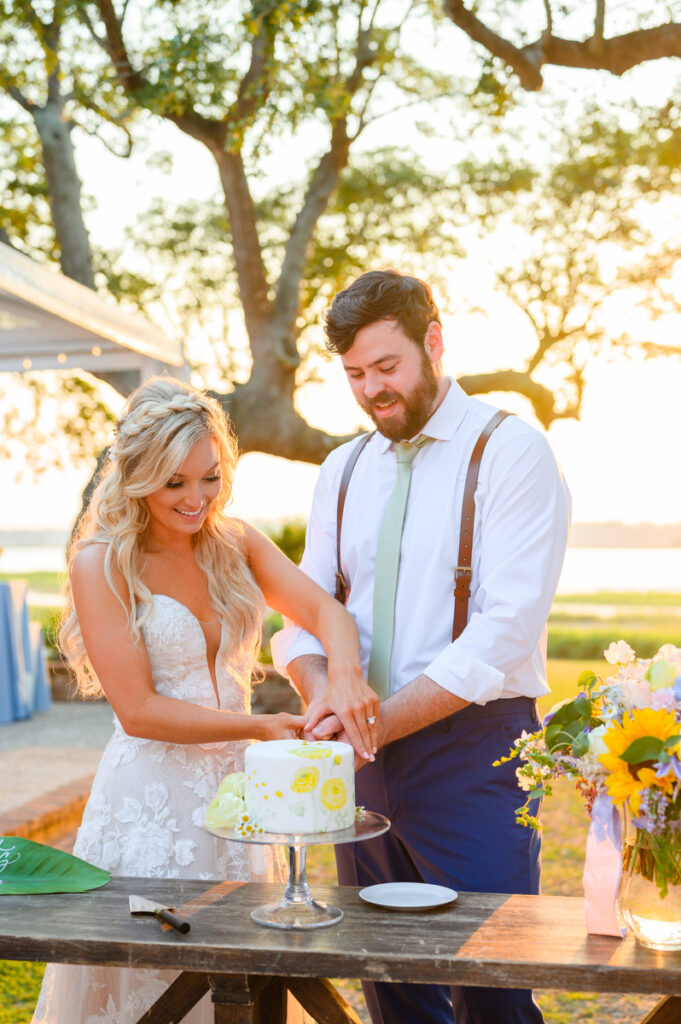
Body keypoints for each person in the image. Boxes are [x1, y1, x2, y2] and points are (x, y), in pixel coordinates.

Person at [271, 269, 571, 1024]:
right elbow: (305, 611)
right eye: (354, 375)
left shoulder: (510, 453)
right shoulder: (341, 470)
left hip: (474, 752)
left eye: (386, 367)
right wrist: (323, 694)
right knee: (388, 983)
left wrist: (369, 722)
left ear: (433, 342)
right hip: (360, 762)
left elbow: (501, 633)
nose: (372, 391)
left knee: (490, 986)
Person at [32, 376, 377, 1024]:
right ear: (136, 477)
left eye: (210, 478)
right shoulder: (101, 563)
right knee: (154, 986)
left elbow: (326, 611)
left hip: (242, 803)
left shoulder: (235, 542)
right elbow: (137, 710)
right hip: (151, 805)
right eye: (175, 484)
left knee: (247, 979)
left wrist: (345, 680)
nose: (196, 500)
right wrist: (258, 726)